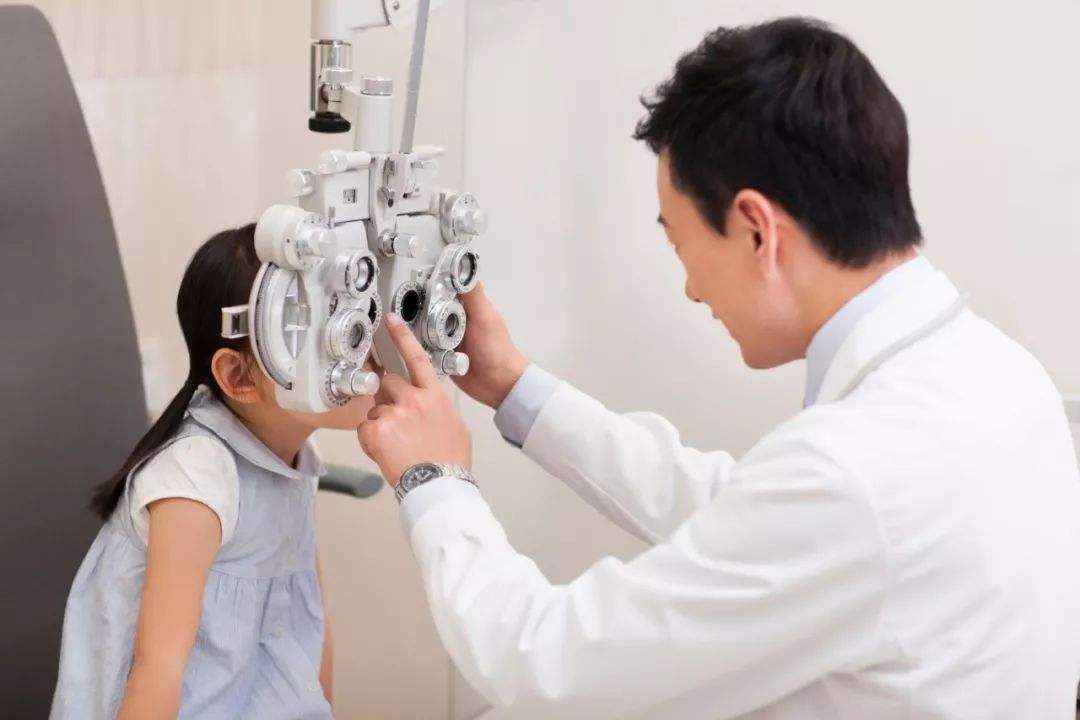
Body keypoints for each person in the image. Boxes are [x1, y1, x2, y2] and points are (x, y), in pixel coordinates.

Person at [358, 17, 1080, 719]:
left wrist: (434, 479)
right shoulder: (997, 374)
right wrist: (514, 385)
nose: (692, 289)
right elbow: (748, 520)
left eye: (680, 244)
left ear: (758, 230)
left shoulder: (854, 476)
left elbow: (544, 666)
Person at [50, 224, 372, 720]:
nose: (354, 350)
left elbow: (312, 629)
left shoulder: (298, 455)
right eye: (311, 335)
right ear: (238, 376)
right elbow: (157, 674)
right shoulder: (197, 476)